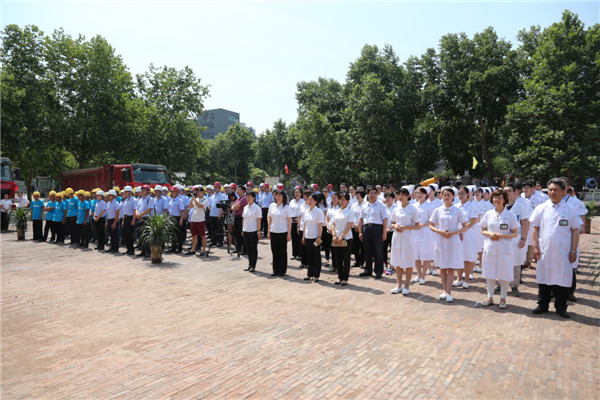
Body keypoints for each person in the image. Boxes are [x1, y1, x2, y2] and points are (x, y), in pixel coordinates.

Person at [531, 178, 581, 318]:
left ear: (564, 192)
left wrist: (573, 250)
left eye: (556, 190)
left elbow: (575, 230)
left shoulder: (570, 210)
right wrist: (535, 247)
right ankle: (542, 305)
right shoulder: (541, 208)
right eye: (550, 190)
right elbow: (535, 228)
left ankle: (561, 307)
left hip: (563, 252)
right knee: (544, 278)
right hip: (544, 251)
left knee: (563, 280)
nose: (552, 192)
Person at [479, 189, 520, 309]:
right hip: (490, 247)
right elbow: (482, 230)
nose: (497, 200)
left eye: (500, 198)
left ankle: (503, 298)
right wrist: (490, 234)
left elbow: (515, 233)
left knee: (504, 274)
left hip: (504, 247)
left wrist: (502, 236)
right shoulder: (488, 214)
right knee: (490, 273)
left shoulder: (510, 215)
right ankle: (490, 297)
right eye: (495, 198)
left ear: (504, 200)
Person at [429, 187, 469, 302]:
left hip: (453, 241)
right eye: (444, 195)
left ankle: (449, 291)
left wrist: (454, 232)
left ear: (453, 197)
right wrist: (439, 231)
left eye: (448, 195)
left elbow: (465, 227)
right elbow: (431, 225)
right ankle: (444, 290)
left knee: (450, 267)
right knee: (442, 266)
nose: (446, 197)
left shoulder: (457, 211)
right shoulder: (438, 210)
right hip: (441, 240)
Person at [499, 183, 532, 297]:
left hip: (515, 238)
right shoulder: (498, 206)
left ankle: (514, 285)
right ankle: (501, 283)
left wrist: (523, 238)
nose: (507, 193)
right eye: (505, 191)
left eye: (509, 191)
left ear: (515, 193)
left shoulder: (520, 206)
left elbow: (525, 223)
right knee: (501, 262)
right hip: (501, 239)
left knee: (515, 263)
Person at [389, 188, 420, 295]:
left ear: (408, 196)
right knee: (398, 262)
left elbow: (417, 226)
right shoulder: (396, 209)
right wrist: (395, 226)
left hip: (408, 238)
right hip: (397, 237)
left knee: (408, 262)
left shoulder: (413, 209)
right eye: (399, 194)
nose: (401, 197)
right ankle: (398, 285)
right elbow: (391, 223)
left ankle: (407, 286)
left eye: (403, 195)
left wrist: (405, 227)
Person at [358, 186, 388, 279]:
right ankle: (368, 270)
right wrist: (360, 232)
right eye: (370, 193)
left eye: (374, 193)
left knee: (378, 251)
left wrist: (384, 233)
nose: (372, 195)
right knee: (367, 250)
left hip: (377, 228)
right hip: (366, 228)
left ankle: (378, 271)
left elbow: (385, 220)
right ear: (367, 194)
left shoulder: (381, 205)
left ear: (377, 194)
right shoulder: (364, 205)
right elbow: (361, 220)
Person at [454, 186, 479, 289]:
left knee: (467, 257)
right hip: (457, 235)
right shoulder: (455, 206)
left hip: (468, 234)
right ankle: (459, 278)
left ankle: (467, 279)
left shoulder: (472, 206)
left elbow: (473, 220)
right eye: (459, 193)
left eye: (463, 193)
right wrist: (457, 231)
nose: (460, 196)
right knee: (459, 257)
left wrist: (463, 230)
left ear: (468, 194)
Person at [330, 191, 355, 286]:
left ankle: (345, 278)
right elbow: (333, 224)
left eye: (343, 200)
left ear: (348, 201)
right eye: (340, 200)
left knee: (346, 259)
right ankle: (340, 277)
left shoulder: (349, 212)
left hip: (346, 238)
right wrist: (334, 235)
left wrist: (342, 235)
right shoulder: (336, 211)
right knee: (338, 259)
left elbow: (349, 225)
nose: (341, 201)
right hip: (336, 239)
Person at [267, 190, 292, 277]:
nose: (278, 197)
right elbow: (269, 219)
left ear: (283, 197)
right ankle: (275, 270)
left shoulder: (286, 207)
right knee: (275, 251)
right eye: (276, 196)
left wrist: (289, 234)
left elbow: (289, 221)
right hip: (273, 231)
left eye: (280, 196)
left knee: (282, 251)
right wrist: (268, 231)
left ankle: (282, 270)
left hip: (283, 232)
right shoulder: (272, 206)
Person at [413, 187, 435, 285]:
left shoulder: (430, 206)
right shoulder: (413, 206)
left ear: (426, 194)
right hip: (415, 232)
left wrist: (423, 225)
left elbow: (432, 220)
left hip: (426, 232)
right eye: (417, 193)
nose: (419, 195)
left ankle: (423, 275)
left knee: (426, 254)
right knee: (416, 254)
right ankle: (418, 274)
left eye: (421, 193)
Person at [302, 193, 324, 282]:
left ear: (316, 201)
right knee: (309, 256)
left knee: (316, 256)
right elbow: (305, 225)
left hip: (315, 238)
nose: (309, 201)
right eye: (308, 200)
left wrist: (319, 237)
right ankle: (309, 274)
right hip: (307, 237)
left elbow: (320, 225)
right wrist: (303, 236)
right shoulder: (307, 211)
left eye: (311, 200)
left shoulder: (318, 212)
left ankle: (316, 274)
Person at [242, 191, 262, 272]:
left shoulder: (257, 208)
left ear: (254, 197)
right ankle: (249, 264)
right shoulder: (245, 207)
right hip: (246, 230)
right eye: (247, 196)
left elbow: (258, 221)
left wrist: (258, 231)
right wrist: (242, 229)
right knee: (248, 249)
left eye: (250, 196)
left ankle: (253, 265)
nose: (248, 198)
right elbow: (243, 219)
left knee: (253, 249)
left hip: (253, 231)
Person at [188, 187, 209, 256]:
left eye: (199, 192)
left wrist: (194, 198)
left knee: (202, 235)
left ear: (203, 192)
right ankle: (193, 250)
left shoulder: (205, 200)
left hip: (200, 220)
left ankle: (203, 250)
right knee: (194, 235)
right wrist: (192, 198)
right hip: (193, 219)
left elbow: (200, 206)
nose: (198, 193)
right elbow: (190, 206)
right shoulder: (195, 199)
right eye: (197, 192)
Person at [135, 185, 155, 257]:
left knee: (147, 235)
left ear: (147, 191)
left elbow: (149, 209)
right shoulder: (140, 199)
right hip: (140, 218)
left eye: (144, 190)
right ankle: (143, 251)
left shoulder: (150, 199)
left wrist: (140, 214)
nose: (142, 191)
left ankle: (148, 252)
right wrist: (137, 214)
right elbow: (137, 208)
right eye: (142, 190)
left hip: (147, 218)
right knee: (141, 235)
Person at [167, 186, 186, 254]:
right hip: (171, 217)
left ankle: (179, 248)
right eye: (171, 192)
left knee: (178, 234)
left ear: (177, 193)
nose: (172, 193)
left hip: (177, 218)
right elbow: (169, 210)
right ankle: (173, 247)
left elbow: (182, 211)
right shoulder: (171, 200)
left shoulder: (179, 200)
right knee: (172, 234)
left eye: (173, 192)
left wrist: (181, 219)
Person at [351, 188, 366, 269]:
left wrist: (360, 226)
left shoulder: (366, 204)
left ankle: (362, 262)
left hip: (363, 227)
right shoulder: (353, 205)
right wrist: (354, 225)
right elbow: (351, 217)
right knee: (355, 246)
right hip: (354, 227)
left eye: (358, 195)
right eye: (356, 195)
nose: (357, 196)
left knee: (362, 245)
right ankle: (357, 261)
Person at [208, 182, 226, 247]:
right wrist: (211, 211)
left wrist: (220, 214)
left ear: (220, 188)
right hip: (212, 215)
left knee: (220, 228)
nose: (216, 189)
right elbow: (209, 205)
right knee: (213, 229)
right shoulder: (212, 196)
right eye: (215, 187)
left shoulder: (223, 196)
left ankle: (220, 241)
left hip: (218, 215)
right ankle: (214, 240)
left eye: (217, 187)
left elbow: (223, 206)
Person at [230, 185, 248, 255]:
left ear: (243, 191)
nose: (237, 191)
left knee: (242, 233)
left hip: (241, 217)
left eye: (239, 189)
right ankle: (238, 248)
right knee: (237, 233)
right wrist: (235, 208)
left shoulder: (244, 198)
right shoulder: (238, 199)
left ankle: (244, 250)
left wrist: (235, 207)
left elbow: (237, 207)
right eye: (237, 189)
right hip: (236, 216)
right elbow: (232, 207)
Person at [289, 187, 304, 261]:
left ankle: (300, 254)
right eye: (295, 192)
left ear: (301, 193)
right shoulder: (292, 201)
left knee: (299, 239)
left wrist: (299, 220)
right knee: (293, 238)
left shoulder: (303, 201)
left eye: (298, 192)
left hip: (300, 222)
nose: (296, 194)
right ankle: (294, 254)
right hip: (292, 221)